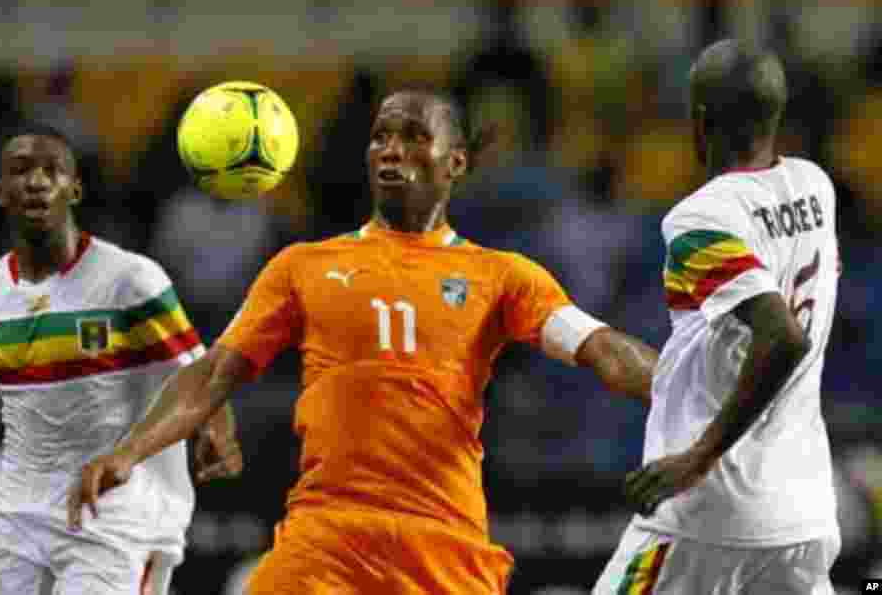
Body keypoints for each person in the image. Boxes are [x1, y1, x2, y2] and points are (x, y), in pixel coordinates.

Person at [70, 88, 659, 594]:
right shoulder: (302, 266)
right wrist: (128, 451)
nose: (390, 149)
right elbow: (213, 372)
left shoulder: (502, 276)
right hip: (327, 534)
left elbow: (604, 350)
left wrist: (702, 407)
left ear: (455, 162)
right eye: (380, 136)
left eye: (411, 135)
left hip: (442, 541)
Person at [0, 123, 242, 595]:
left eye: (51, 171)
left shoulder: (131, 280)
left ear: (74, 189)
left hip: (118, 508)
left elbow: (203, 377)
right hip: (16, 511)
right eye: (20, 171)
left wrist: (219, 428)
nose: (36, 182)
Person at [594, 39, 842, 594]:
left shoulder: (700, 218)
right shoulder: (815, 187)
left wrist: (698, 458)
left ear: (699, 123)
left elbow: (783, 337)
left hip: (707, 517)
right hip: (801, 513)